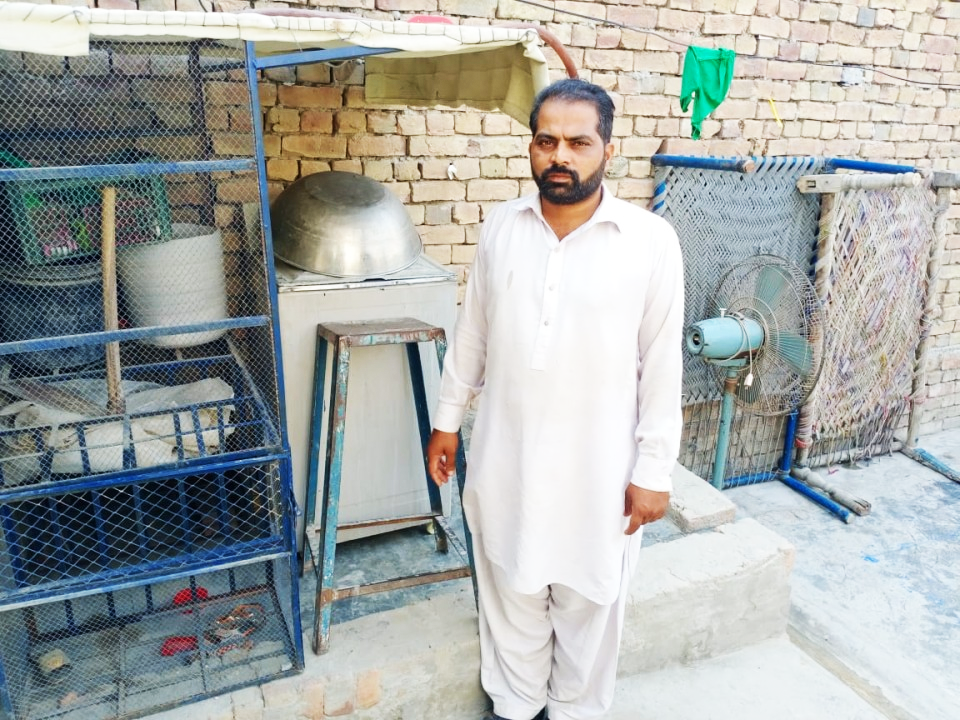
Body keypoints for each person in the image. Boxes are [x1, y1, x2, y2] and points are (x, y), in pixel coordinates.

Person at [426, 78, 685, 720]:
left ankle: (573, 710)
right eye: (546, 141)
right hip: (508, 454)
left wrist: (654, 471)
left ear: (608, 150)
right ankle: (515, 705)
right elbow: (473, 332)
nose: (560, 156)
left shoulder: (649, 241)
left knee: (590, 601)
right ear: (532, 147)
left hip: (601, 470)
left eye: (578, 142)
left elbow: (662, 366)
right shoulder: (502, 226)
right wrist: (447, 421)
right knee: (510, 586)